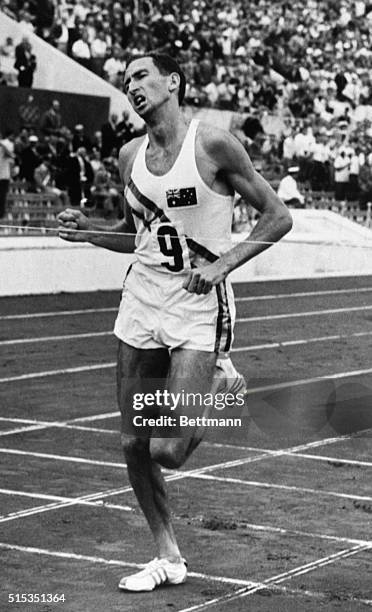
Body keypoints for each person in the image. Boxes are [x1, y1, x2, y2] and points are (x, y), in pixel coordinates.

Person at [58, 53, 292, 592]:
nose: (132, 87)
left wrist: (220, 266)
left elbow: (277, 216)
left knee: (170, 449)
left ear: (173, 82)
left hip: (197, 304)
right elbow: (133, 232)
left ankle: (226, 390)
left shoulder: (211, 145)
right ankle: (168, 555)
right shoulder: (128, 156)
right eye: (126, 82)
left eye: (141, 77)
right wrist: (89, 230)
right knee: (133, 442)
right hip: (142, 299)